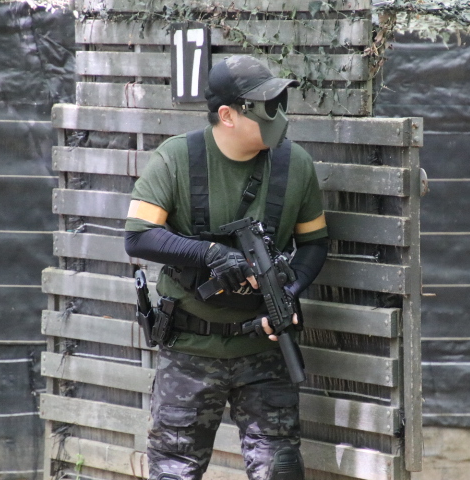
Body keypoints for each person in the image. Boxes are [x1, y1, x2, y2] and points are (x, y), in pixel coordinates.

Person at [124, 55, 329, 480]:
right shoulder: (177, 158)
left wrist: (289, 292)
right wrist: (212, 254)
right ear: (227, 115)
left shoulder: (296, 165)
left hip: (264, 352)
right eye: (266, 106)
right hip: (190, 351)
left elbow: (314, 244)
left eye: (280, 102)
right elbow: (138, 236)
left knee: (281, 471)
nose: (279, 115)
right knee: (174, 472)